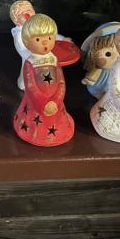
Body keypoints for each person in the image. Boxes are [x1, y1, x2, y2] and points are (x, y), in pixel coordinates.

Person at [13, 13, 73, 147]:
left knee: (56, 120)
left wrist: (57, 100)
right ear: (27, 42)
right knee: (36, 124)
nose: (45, 42)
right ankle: (36, 134)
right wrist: (43, 104)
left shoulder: (54, 59)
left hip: (55, 102)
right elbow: (31, 86)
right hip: (36, 104)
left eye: (50, 38)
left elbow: (61, 82)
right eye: (38, 39)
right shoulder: (30, 63)